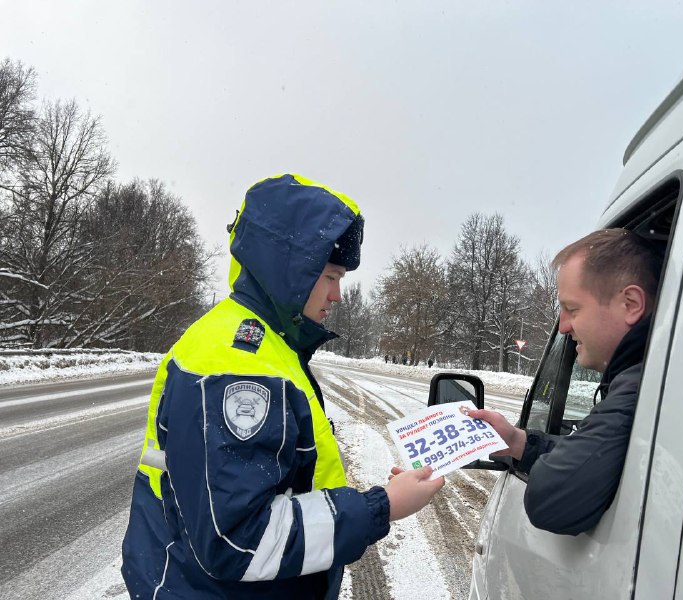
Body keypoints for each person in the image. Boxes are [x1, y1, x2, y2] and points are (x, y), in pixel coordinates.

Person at [121, 174, 444, 599]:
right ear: (290, 268)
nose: (337, 296)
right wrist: (379, 507)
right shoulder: (239, 365)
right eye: (330, 276)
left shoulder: (262, 342)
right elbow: (238, 541)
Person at [469, 229, 662, 536]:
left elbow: (551, 498)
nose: (563, 326)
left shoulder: (641, 389)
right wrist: (518, 442)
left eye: (572, 309)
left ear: (631, 304)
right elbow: (596, 459)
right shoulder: (650, 377)